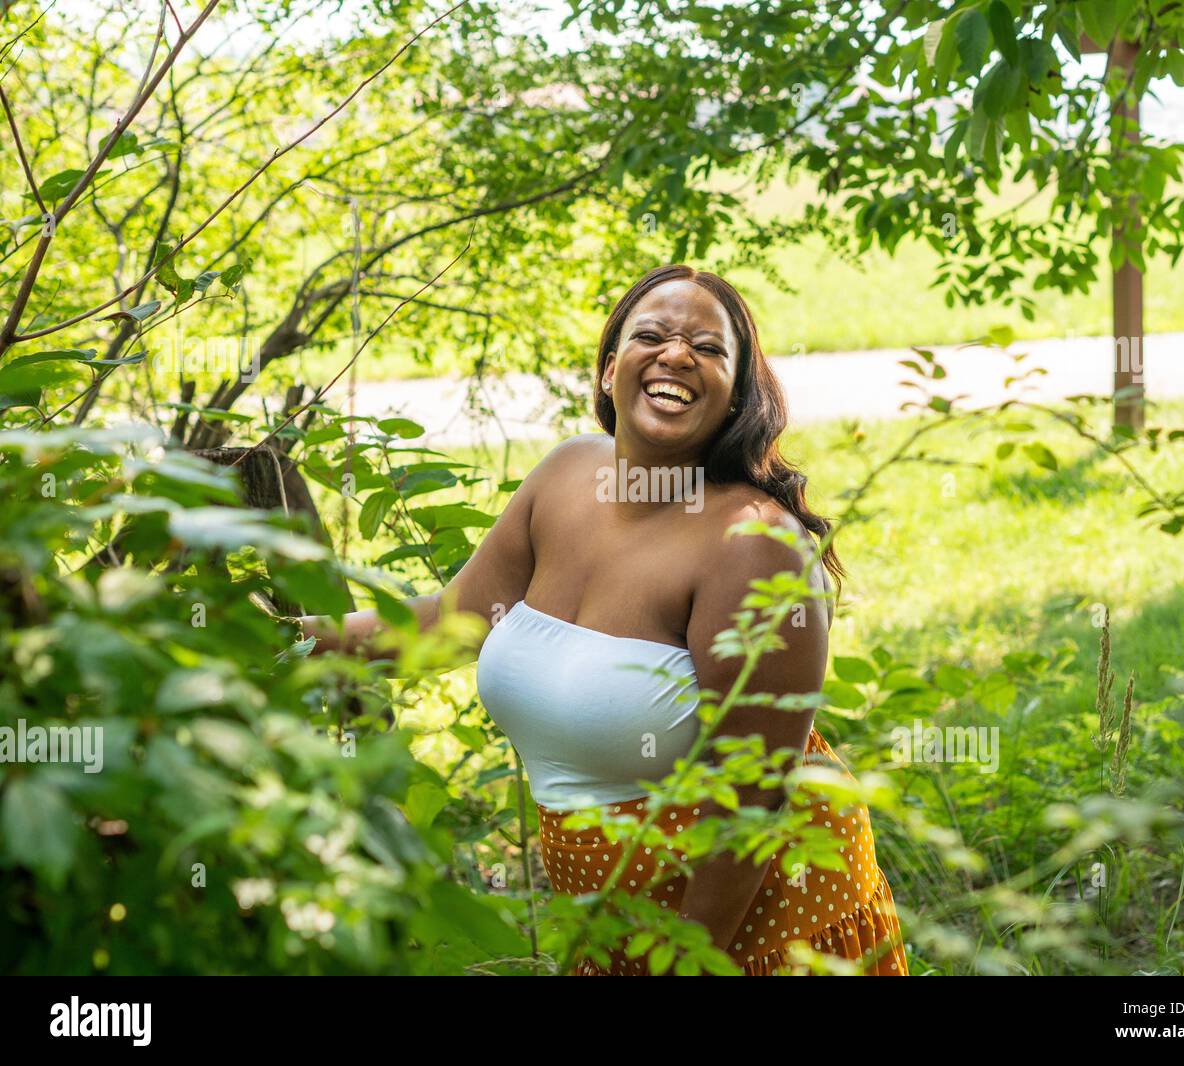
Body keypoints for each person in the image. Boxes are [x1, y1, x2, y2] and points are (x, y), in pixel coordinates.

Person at [301, 264, 909, 976]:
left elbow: (752, 799)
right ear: (609, 368)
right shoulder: (564, 477)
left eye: (708, 349)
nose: (676, 355)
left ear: (737, 396)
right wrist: (288, 640)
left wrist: (684, 965)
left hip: (755, 929)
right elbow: (454, 621)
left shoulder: (753, 547)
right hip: (612, 920)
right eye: (651, 335)